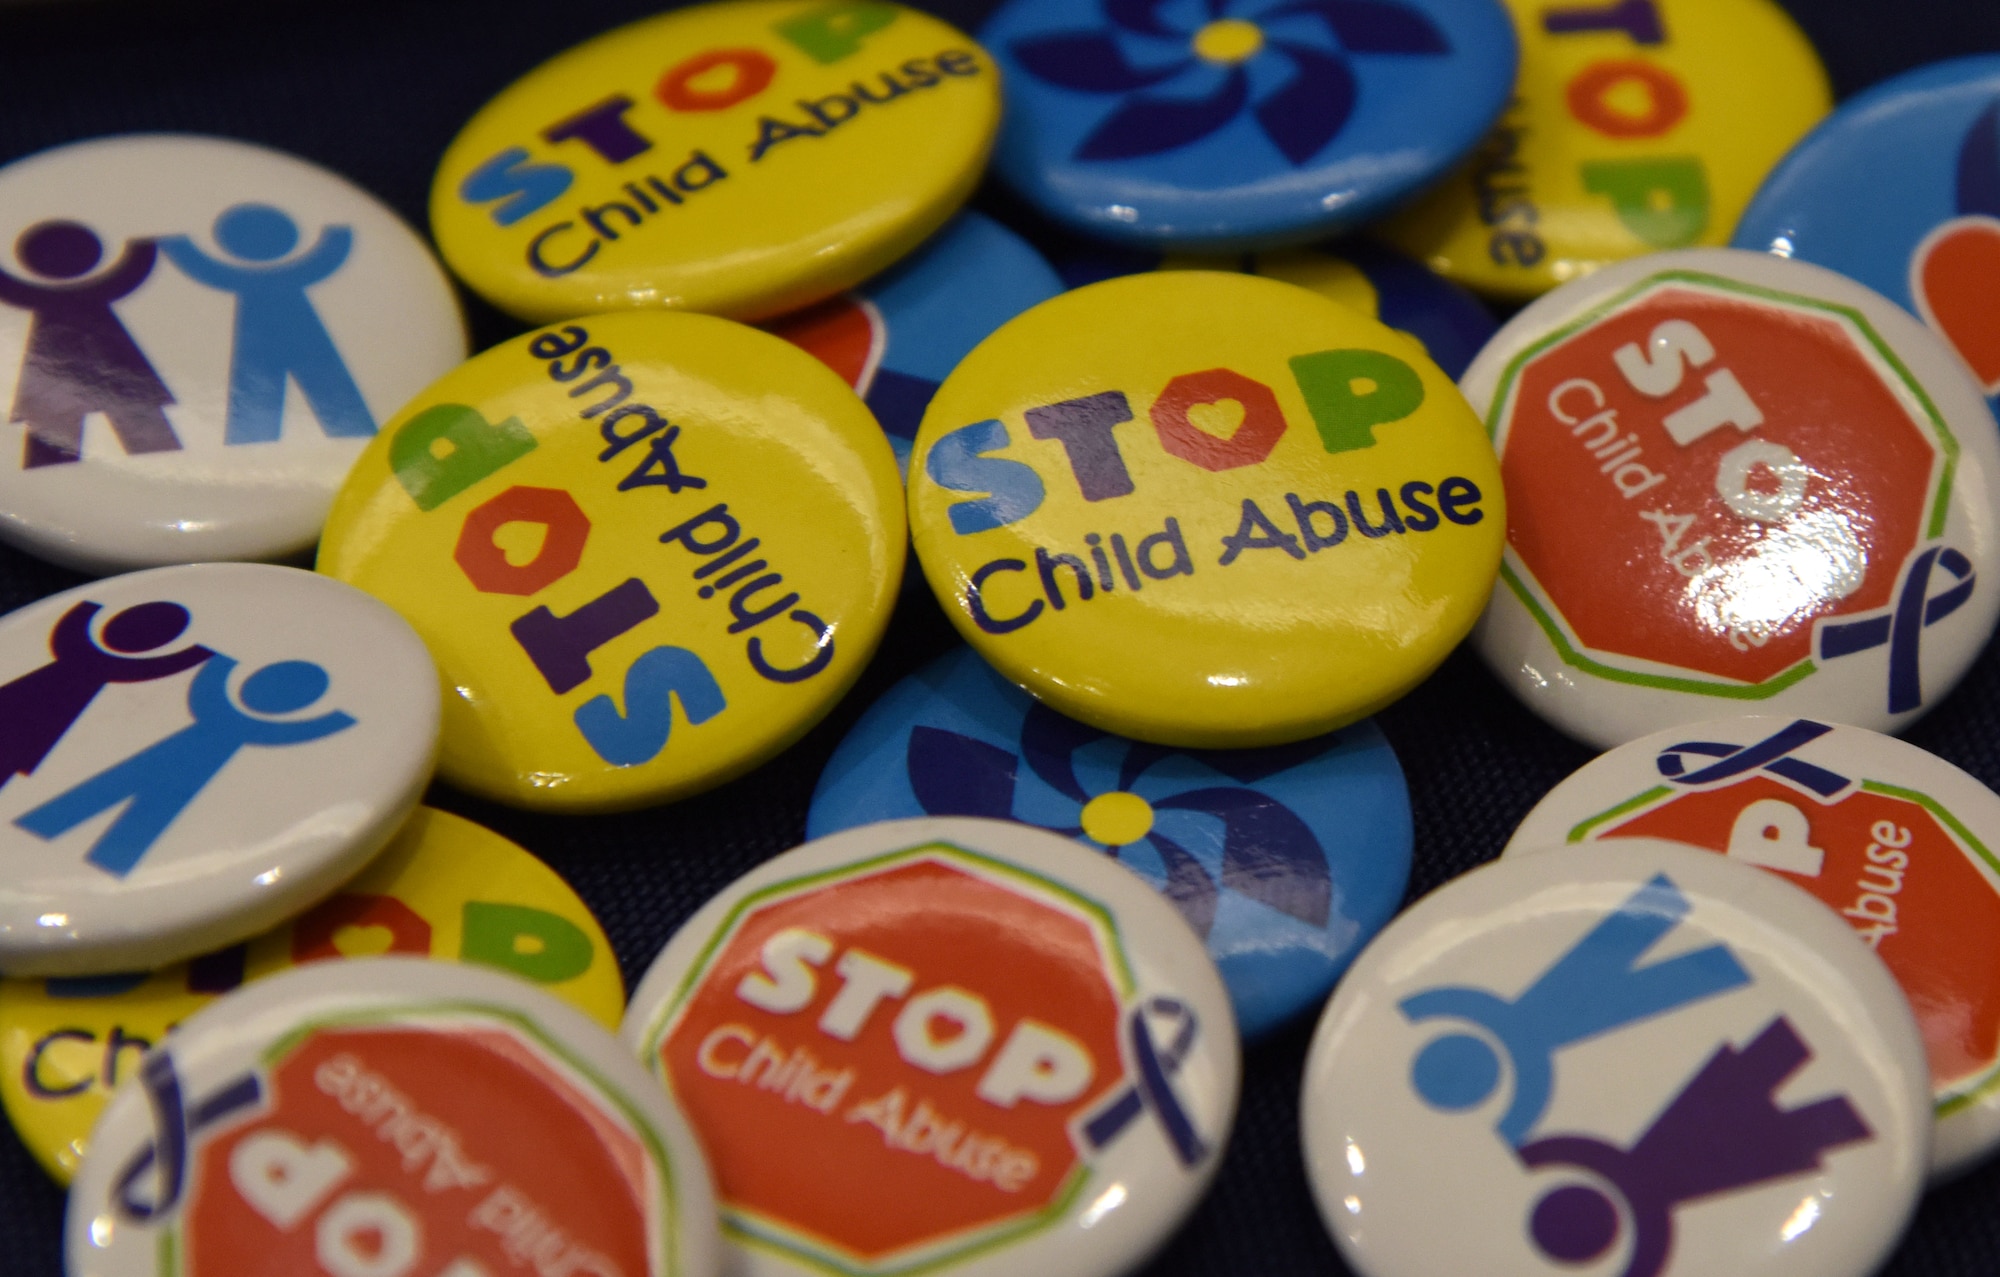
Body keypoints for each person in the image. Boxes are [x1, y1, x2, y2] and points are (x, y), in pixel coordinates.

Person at [15, 655, 355, 877]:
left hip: (189, 763)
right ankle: (55, 830)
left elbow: (302, 729)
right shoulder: (231, 712)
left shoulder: (236, 716)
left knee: (148, 810)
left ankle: (90, 849)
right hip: (177, 756)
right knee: (118, 795)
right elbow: (213, 682)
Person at [159, 203, 374, 443]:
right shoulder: (294, 272)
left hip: (291, 326)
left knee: (328, 403)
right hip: (277, 328)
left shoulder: (249, 277)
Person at [0, 220, 180, 468]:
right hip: (86, 357)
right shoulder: (96, 291)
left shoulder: (42, 297)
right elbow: (131, 271)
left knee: (55, 432)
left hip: (83, 357)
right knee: (54, 431)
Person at [0, 600, 211, 790]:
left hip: (48, 699)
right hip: (54, 701)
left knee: (16, 748)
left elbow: (78, 620)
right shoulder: (105, 660)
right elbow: (168, 664)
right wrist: (197, 653)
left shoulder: (79, 646)